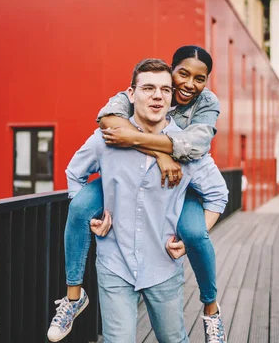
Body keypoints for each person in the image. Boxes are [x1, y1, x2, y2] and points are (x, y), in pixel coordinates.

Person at [48, 46, 226, 342]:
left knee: (174, 339)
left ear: (170, 97)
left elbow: (218, 195)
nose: (158, 95)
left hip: (163, 263)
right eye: (148, 89)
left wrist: (190, 238)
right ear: (132, 93)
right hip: (114, 261)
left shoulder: (194, 134)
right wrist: (94, 217)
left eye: (163, 90)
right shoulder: (109, 136)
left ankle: (211, 309)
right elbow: (74, 173)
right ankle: (73, 295)